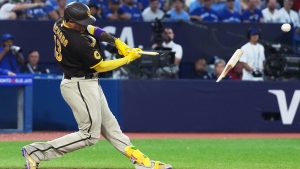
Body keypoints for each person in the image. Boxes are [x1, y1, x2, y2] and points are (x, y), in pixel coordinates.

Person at [21, 2, 172, 169]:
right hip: (79, 85)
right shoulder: (77, 42)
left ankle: (142, 163)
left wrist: (116, 42)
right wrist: (127, 59)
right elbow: (100, 66)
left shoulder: (60, 23)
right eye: (82, 22)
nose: (86, 24)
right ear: (70, 22)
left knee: (112, 128)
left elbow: (92, 30)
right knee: (89, 135)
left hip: (86, 83)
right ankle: (36, 152)